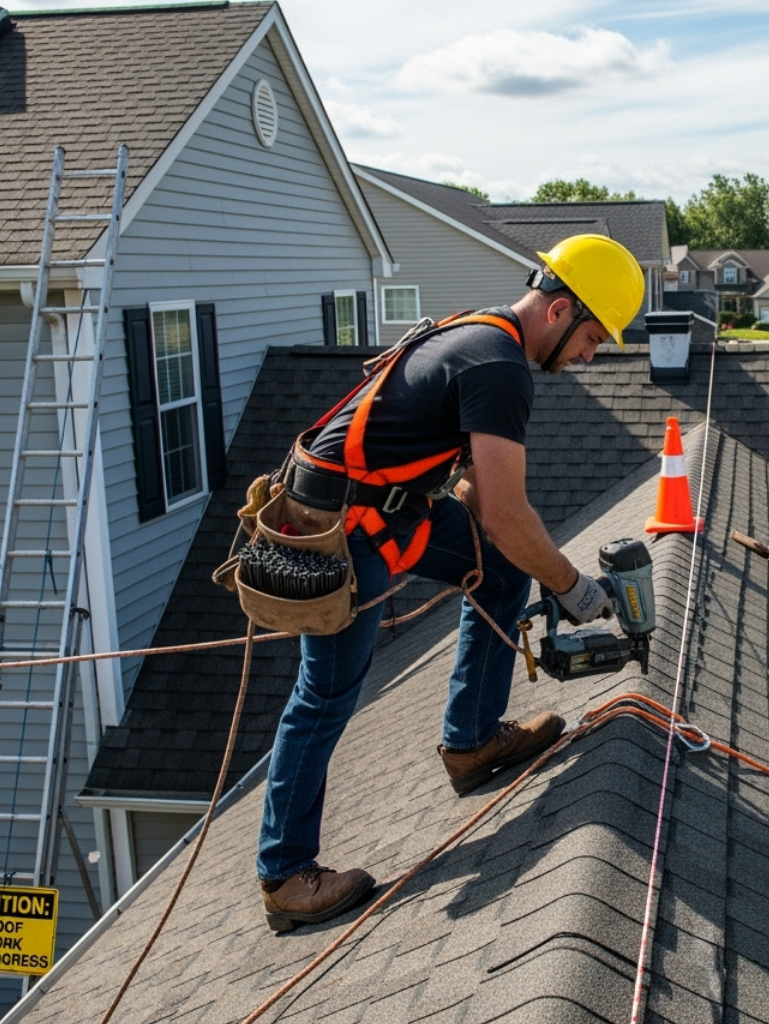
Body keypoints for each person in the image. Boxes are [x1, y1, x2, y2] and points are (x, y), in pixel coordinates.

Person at [255, 234, 646, 933]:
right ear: (559, 310)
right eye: (592, 338)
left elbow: (475, 492)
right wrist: (572, 587)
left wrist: (526, 558)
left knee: (501, 565)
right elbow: (505, 513)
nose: (590, 356)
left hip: (382, 506)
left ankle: (470, 742)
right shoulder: (499, 365)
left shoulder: (479, 332)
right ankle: (285, 874)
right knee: (327, 692)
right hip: (338, 526)